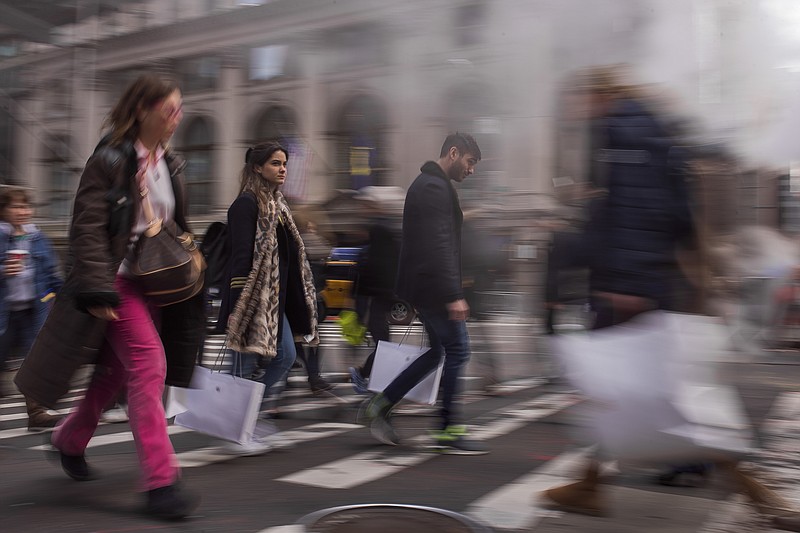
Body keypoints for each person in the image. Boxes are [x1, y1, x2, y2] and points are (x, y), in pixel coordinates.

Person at [540, 67, 799, 528]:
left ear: (601, 95)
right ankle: (589, 483)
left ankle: (761, 494)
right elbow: (678, 215)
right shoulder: (654, 131)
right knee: (623, 391)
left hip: (628, 285)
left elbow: (638, 210)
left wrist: (627, 279)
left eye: (583, 97)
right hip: (647, 282)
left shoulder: (622, 129)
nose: (578, 108)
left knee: (655, 399)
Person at [14, 74, 202, 520]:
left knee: (115, 374)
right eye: (169, 109)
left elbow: (175, 224)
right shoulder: (110, 160)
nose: (177, 118)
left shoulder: (170, 163)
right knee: (149, 366)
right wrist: (97, 285)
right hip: (116, 282)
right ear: (143, 110)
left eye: (180, 109)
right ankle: (161, 484)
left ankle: (67, 439)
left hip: (155, 284)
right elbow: (87, 228)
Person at [358, 132, 487, 454]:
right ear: (454, 153)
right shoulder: (433, 187)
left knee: (438, 351)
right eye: (470, 162)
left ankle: (382, 403)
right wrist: (453, 293)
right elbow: (438, 245)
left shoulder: (428, 185)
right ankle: (447, 428)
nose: (472, 170)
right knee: (458, 351)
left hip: (427, 286)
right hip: (435, 288)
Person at [218, 141, 319, 452]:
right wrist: (239, 306)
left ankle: (245, 415)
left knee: (286, 356)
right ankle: (237, 428)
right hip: (250, 299)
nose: (283, 168)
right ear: (257, 168)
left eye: (284, 163)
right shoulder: (245, 205)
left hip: (276, 301)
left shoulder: (279, 208)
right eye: (275, 163)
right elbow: (240, 258)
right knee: (243, 365)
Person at [0, 187, 63, 430]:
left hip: (31, 312)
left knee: (33, 361)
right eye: (15, 206)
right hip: (5, 312)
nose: (21, 211)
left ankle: (36, 413)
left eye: (25, 206)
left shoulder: (37, 238)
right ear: (4, 210)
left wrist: (67, 293)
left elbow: (50, 274)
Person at [348, 206, 401, 394]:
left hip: (371, 307)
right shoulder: (383, 257)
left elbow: (359, 285)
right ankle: (362, 374)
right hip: (375, 308)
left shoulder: (369, 256)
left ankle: (369, 376)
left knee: (384, 346)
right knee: (384, 346)